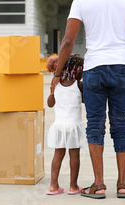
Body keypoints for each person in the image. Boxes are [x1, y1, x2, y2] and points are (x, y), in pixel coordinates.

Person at [50, 0, 125, 199]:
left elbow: (68, 41)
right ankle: (122, 184)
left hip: (95, 68)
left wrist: (58, 73)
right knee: (120, 124)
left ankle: (98, 185)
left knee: (95, 125)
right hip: (121, 67)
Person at [46, 55, 85, 196]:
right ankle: (73, 186)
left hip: (59, 126)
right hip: (73, 126)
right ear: (77, 70)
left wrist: (52, 92)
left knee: (58, 155)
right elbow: (85, 101)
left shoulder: (56, 83)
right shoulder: (78, 84)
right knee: (74, 156)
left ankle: (53, 186)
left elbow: (50, 104)